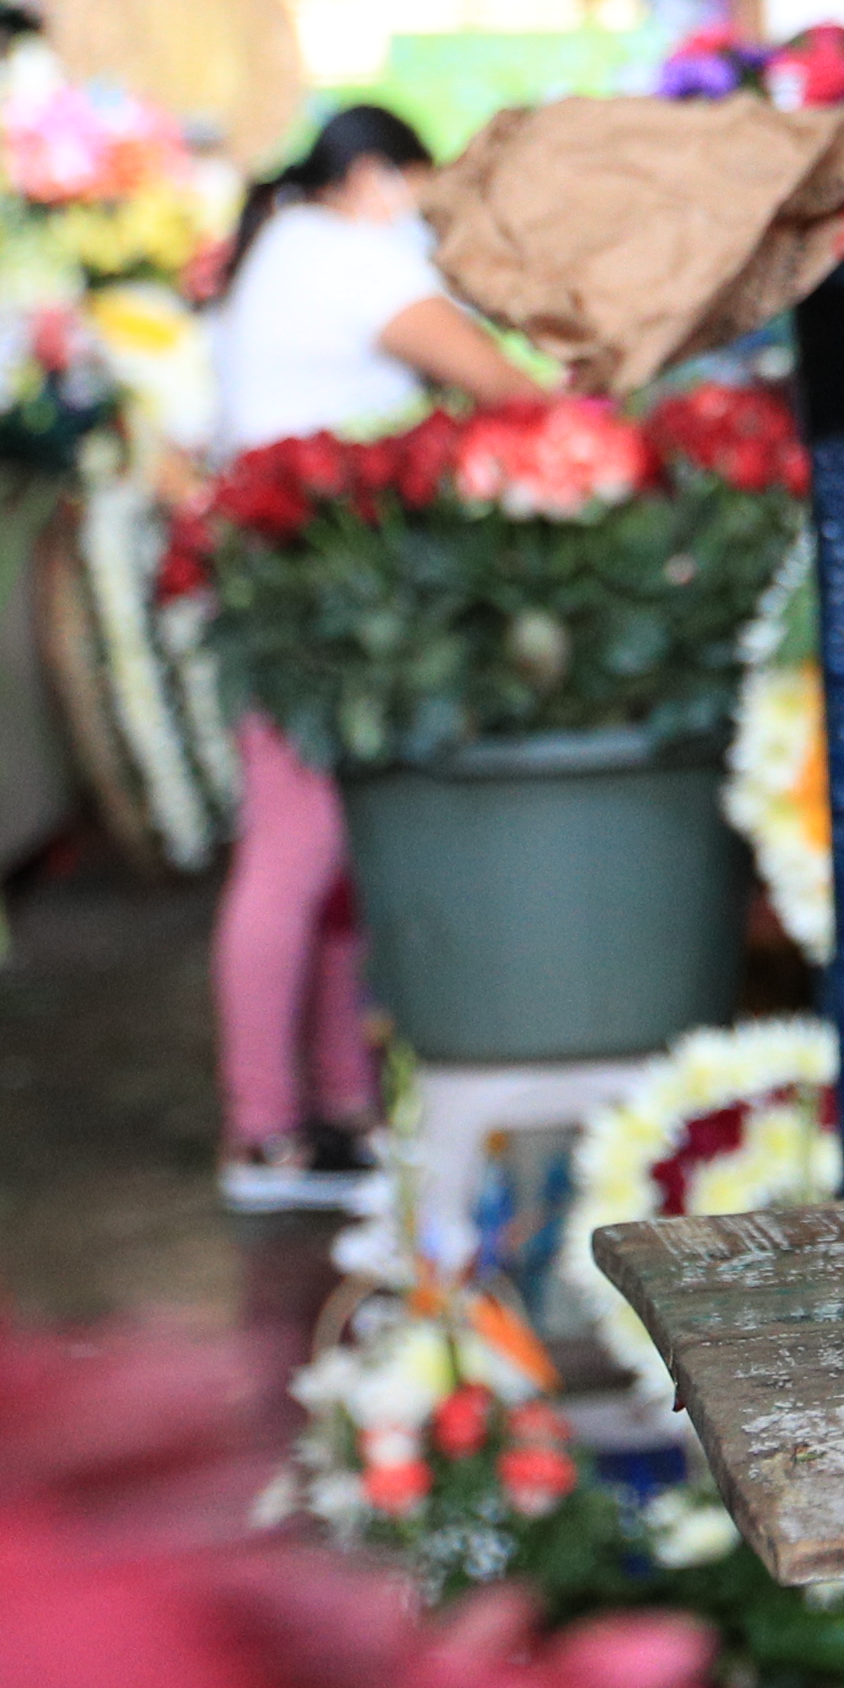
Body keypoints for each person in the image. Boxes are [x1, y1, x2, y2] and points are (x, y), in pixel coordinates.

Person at [195, 105, 541, 1205]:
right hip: (307, 586)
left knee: (334, 857)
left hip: (306, 573)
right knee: (295, 854)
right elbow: (501, 383)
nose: (423, 216)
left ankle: (341, 1111)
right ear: (375, 178)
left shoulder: (285, 251)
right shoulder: (339, 255)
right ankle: (264, 1134)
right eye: (419, 192)